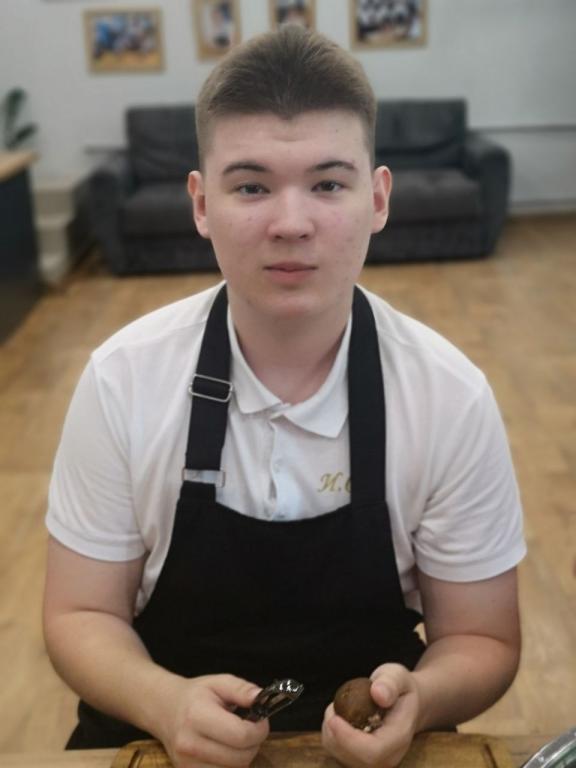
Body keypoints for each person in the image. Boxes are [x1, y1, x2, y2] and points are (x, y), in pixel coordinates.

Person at [43, 25, 526, 768]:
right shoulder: (122, 379)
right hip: (153, 733)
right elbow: (79, 613)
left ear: (378, 198)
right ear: (201, 204)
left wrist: (422, 700)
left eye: (328, 184)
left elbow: (482, 637)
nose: (291, 224)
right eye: (251, 186)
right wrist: (162, 702)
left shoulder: (449, 396)